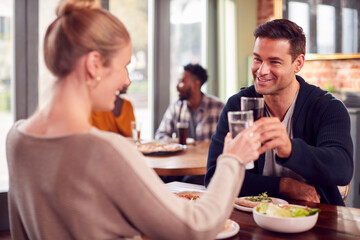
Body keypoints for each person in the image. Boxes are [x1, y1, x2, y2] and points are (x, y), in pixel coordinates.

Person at [6, 0, 261, 239]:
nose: (127, 80)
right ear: (94, 64)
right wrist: (233, 160)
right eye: (124, 65)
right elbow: (197, 227)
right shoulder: (104, 150)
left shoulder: (17, 137)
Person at [205, 19, 353, 206]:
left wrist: (289, 149)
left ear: (298, 63)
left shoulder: (327, 107)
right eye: (257, 59)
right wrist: (284, 185)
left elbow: (342, 169)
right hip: (252, 218)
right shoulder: (237, 104)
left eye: (274, 62)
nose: (261, 70)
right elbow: (214, 178)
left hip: (316, 216)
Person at [155, 63, 224, 142]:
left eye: (182, 82)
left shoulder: (219, 108)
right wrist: (175, 142)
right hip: (183, 154)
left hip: (207, 154)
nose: (177, 86)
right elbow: (160, 135)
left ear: (196, 83)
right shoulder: (175, 107)